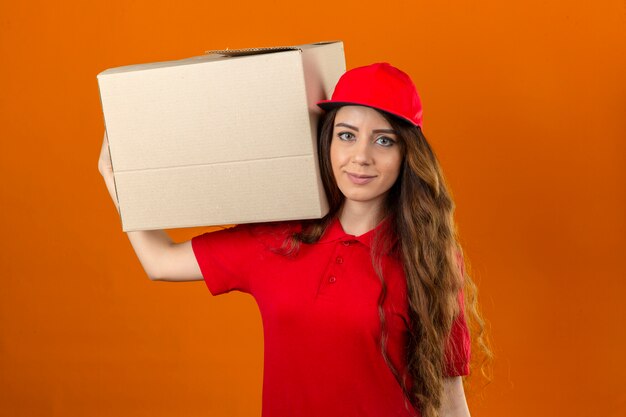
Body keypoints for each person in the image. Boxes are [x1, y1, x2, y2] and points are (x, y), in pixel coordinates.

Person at [98, 62, 489, 417]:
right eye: (347, 135)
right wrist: (117, 180)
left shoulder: (428, 259)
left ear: (408, 154)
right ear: (327, 142)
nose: (361, 156)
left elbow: (449, 399)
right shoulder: (278, 237)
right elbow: (160, 261)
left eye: (383, 140)